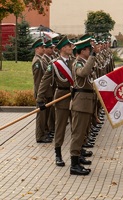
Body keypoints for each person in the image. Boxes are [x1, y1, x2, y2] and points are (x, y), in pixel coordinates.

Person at [37, 35, 74, 167]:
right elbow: (44, 81)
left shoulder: (74, 61)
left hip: (74, 97)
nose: (71, 48)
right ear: (63, 48)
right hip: (61, 96)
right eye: (69, 46)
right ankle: (58, 155)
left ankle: (76, 155)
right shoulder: (54, 64)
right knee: (60, 127)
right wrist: (40, 99)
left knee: (76, 127)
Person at [69, 38, 98, 175]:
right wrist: (92, 57)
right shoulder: (77, 64)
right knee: (78, 134)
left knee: (82, 134)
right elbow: (83, 73)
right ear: (82, 51)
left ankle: (79, 157)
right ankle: (74, 165)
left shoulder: (83, 62)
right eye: (88, 50)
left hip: (86, 103)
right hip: (80, 104)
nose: (89, 51)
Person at [31, 38, 52, 143]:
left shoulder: (41, 59)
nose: (44, 49)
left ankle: (44, 133)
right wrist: (41, 95)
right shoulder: (37, 62)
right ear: (37, 48)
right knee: (41, 116)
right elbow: (39, 80)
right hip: (41, 93)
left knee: (45, 115)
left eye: (44, 47)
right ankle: (40, 136)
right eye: (42, 47)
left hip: (44, 93)